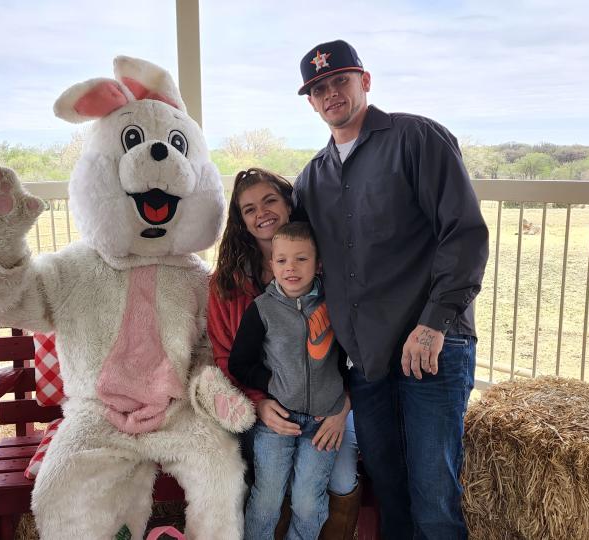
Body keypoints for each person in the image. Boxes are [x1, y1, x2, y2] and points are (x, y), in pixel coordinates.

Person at [293, 40, 489, 539]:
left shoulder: (416, 138)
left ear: (365, 81)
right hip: (368, 361)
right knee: (391, 496)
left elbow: (463, 233)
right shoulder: (311, 178)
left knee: (433, 499)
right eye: (319, 88)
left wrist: (434, 323)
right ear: (311, 102)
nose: (331, 93)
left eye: (340, 79)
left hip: (431, 347)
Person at [207, 168, 360, 539]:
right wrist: (259, 402)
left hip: (330, 405)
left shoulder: (329, 279)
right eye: (249, 209)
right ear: (241, 222)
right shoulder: (229, 284)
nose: (262, 212)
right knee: (266, 484)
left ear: (289, 203)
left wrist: (342, 409)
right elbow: (230, 359)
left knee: (336, 478)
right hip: (265, 403)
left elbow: (357, 353)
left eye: (270, 200)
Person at [228, 222, 346, 540]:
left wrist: (343, 401)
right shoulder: (262, 310)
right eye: (282, 261)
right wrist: (273, 385)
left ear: (318, 263)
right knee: (266, 501)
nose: (290, 268)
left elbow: (352, 359)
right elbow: (239, 363)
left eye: (301, 259)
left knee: (308, 504)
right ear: (272, 265)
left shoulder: (335, 306)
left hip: (323, 425)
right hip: (276, 422)